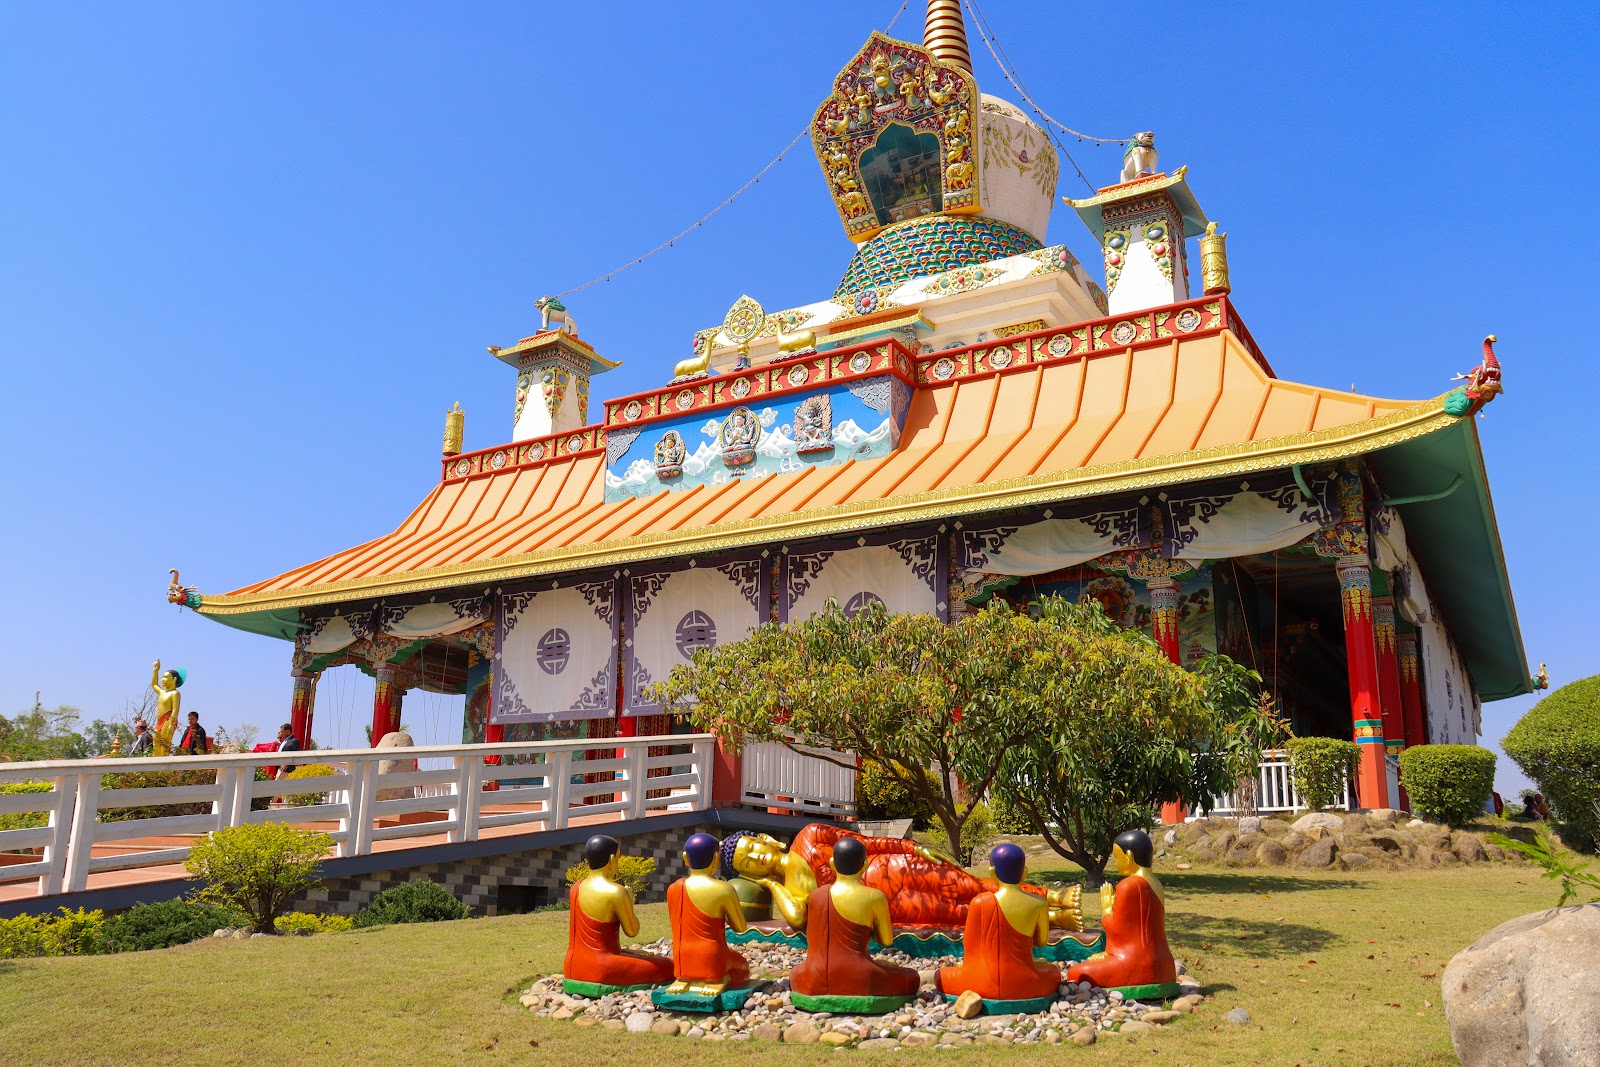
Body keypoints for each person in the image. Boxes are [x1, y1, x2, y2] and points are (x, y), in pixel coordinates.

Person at [790, 836, 919, 1005]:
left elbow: (813, 939)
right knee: (912, 977)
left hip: (813, 977)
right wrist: (867, 930)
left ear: (832, 864)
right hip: (861, 977)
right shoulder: (875, 897)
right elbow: (886, 940)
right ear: (864, 866)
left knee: (794, 973)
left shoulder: (817, 896)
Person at [938, 843, 1062, 1002]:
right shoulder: (1039, 904)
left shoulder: (980, 902)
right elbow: (1041, 942)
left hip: (981, 982)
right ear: (1024, 873)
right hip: (1026, 981)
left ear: (992, 872)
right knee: (1053, 971)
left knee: (940, 976)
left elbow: (970, 947)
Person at [1067, 829, 1177, 993]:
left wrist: (1106, 909)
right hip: (1166, 965)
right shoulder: (1157, 884)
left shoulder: (1128, 886)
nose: (1116, 863)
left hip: (1133, 964)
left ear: (1129, 857)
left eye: (1118, 857)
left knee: (1075, 972)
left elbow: (1117, 930)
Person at [563, 835, 674, 991]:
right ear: (611, 859)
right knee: (671, 965)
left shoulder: (576, 887)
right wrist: (629, 901)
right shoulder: (616, 891)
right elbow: (632, 930)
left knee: (644, 956)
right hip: (602, 967)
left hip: (572, 964)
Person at [664, 833, 750, 996]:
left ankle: (684, 980)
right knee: (742, 966)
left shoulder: (673, 889)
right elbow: (740, 927)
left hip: (682, 959)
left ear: (685, 858)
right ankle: (717, 980)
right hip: (713, 958)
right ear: (716, 858)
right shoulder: (724, 889)